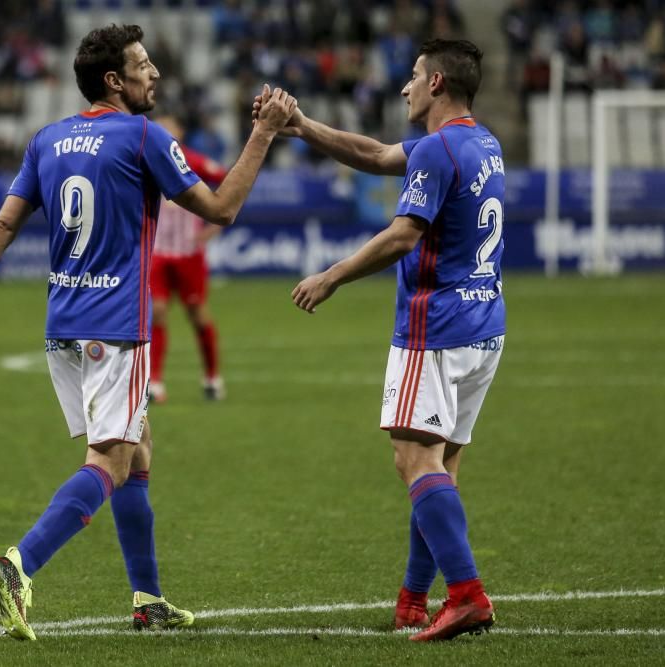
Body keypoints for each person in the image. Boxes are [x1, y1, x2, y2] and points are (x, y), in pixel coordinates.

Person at [0, 24, 295, 641]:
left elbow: (3, 223)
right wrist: (263, 133)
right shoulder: (144, 135)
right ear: (114, 81)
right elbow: (223, 208)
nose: (155, 75)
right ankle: (18, 565)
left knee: (138, 451)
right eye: (143, 66)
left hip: (63, 328)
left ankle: (148, 599)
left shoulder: (48, 140)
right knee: (111, 458)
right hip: (116, 327)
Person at [268, 39, 504, 641]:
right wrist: (301, 126)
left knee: (413, 459)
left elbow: (403, 235)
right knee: (441, 466)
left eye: (414, 76)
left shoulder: (438, 149)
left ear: (437, 85)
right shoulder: (482, 143)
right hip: (484, 325)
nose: (404, 86)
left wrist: (331, 276)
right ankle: (411, 601)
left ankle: (467, 595)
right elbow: (372, 154)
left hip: (435, 327)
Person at [149, 114, 228, 403]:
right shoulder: (145, 160)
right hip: (157, 254)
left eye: (169, 126)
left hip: (188, 254)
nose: (164, 131)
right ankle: (154, 381)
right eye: (159, 127)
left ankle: (212, 376)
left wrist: (215, 227)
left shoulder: (192, 160)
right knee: (156, 312)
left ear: (180, 131)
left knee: (196, 314)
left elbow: (230, 182)